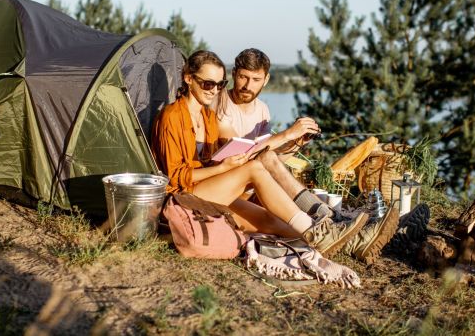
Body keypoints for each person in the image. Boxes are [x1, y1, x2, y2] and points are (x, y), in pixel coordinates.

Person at [151, 50, 367, 256]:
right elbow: (175, 176)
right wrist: (223, 168)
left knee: (271, 221)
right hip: (181, 197)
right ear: (189, 78)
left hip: (208, 190)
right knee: (254, 168)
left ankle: (348, 242)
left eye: (220, 84)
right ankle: (319, 228)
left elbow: (209, 163)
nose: (214, 90)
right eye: (208, 84)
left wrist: (227, 165)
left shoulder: (206, 116)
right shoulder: (172, 117)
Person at [214, 48, 400, 265]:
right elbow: (244, 158)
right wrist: (287, 134)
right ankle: (340, 229)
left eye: (255, 79)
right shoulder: (219, 104)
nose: (247, 85)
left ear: (266, 80)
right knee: (291, 223)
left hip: (255, 186)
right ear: (234, 73)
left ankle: (335, 223)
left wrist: (294, 145)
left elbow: (271, 162)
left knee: (270, 161)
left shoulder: (261, 109)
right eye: (243, 77)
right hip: (229, 189)